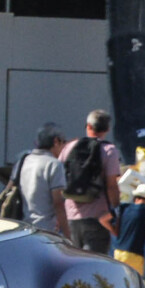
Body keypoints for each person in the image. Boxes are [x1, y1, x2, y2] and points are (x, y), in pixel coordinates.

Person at [61, 108, 122, 255]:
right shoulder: (109, 150)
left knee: (74, 262)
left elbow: (60, 177)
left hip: (71, 216)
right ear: (107, 128)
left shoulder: (69, 147)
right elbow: (111, 186)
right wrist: (117, 210)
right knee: (95, 265)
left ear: (88, 126)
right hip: (98, 217)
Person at [14, 123, 69, 235]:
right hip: (47, 230)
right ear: (56, 141)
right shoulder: (54, 164)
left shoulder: (23, 160)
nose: (64, 147)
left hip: (23, 229)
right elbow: (58, 203)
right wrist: (69, 235)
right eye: (64, 142)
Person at [112, 180, 145, 283]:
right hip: (134, 256)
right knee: (132, 286)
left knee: (118, 282)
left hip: (118, 253)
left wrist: (114, 231)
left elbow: (103, 219)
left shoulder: (124, 207)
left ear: (135, 198)